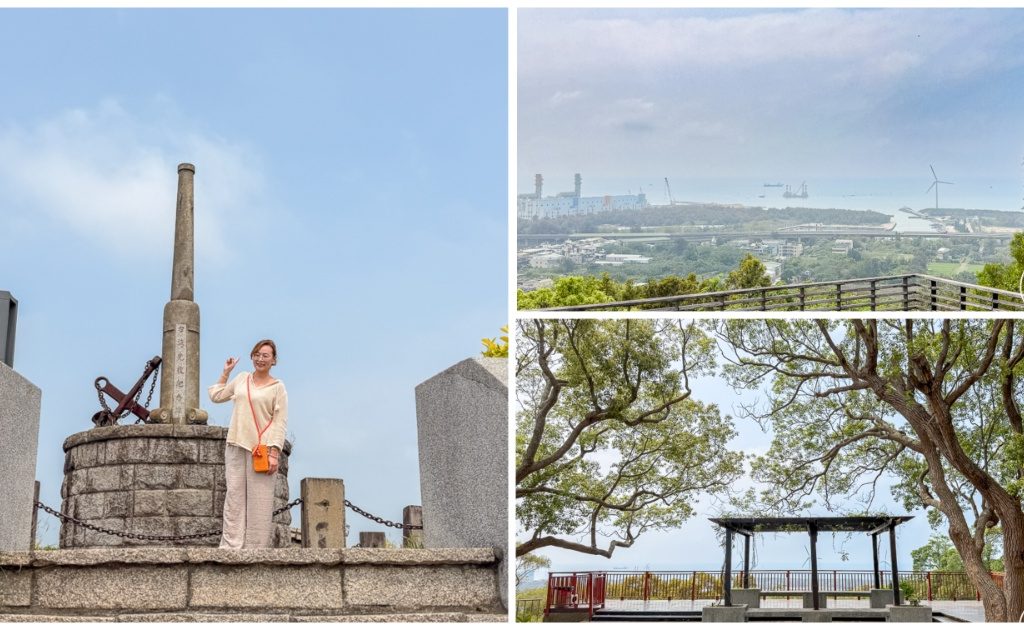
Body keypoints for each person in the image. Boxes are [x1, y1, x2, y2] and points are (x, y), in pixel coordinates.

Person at [208, 339, 288, 549]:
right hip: (236, 444)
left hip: (261, 450)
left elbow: (280, 421)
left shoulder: (278, 388)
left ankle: (255, 549)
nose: (260, 359)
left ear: (273, 360)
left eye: (265, 356)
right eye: (257, 355)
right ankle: (230, 546)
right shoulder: (242, 379)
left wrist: (274, 452)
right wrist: (226, 372)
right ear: (252, 356)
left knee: (259, 502)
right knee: (233, 497)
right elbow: (216, 396)